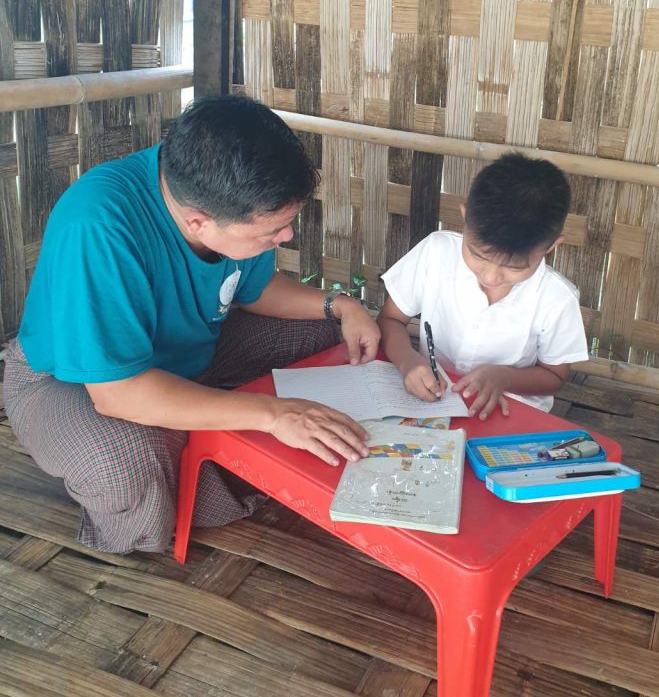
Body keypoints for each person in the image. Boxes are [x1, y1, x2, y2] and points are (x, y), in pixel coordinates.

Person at [3, 94, 380, 554]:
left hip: (195, 344)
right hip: (70, 380)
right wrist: (274, 415)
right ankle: (154, 510)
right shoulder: (98, 226)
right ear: (198, 223)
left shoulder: (214, 193)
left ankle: (208, 433)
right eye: (270, 232)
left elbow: (255, 290)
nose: (285, 238)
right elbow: (117, 393)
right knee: (122, 464)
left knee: (331, 336)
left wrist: (340, 306)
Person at [377, 152, 588, 418]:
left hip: (510, 414)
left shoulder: (557, 298)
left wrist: (506, 377)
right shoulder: (437, 252)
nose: (490, 277)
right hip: (430, 398)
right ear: (465, 218)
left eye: (513, 267)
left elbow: (555, 376)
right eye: (477, 255)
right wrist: (407, 360)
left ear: (551, 246)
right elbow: (391, 319)